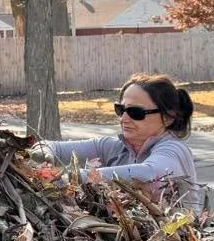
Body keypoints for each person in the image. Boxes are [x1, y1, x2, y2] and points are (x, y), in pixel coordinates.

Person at [36, 74, 199, 202]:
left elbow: (149, 173)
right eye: (121, 110)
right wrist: (42, 155)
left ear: (168, 117)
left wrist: (74, 178)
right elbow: (51, 147)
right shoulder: (112, 148)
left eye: (136, 112)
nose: (123, 119)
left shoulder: (175, 150)